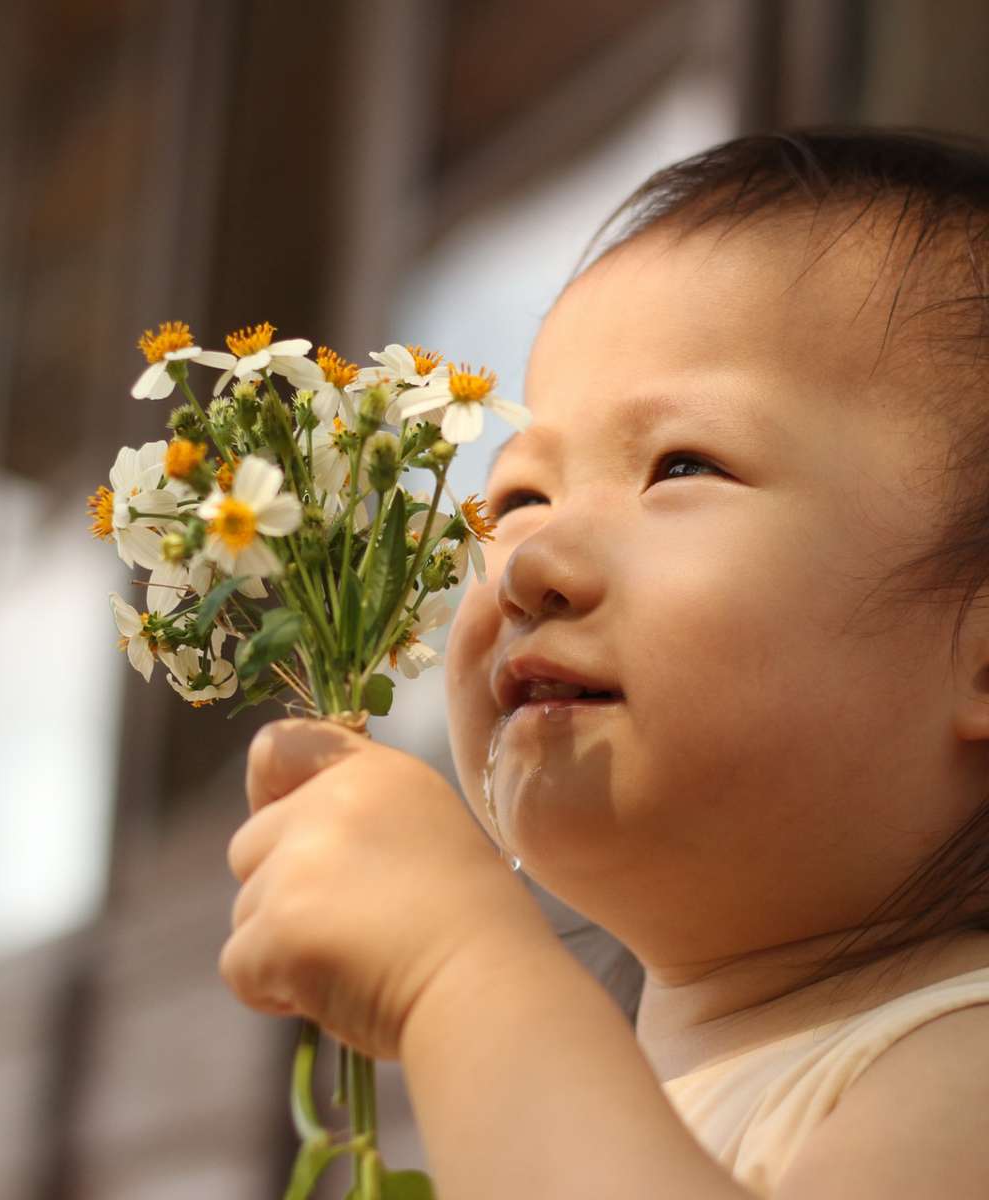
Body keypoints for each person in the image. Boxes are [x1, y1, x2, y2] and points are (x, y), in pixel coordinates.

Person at [220, 128, 989, 1198]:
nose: (531, 560)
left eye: (682, 466)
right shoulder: (595, 1100)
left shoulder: (960, 1078)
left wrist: (462, 971)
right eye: (518, 497)